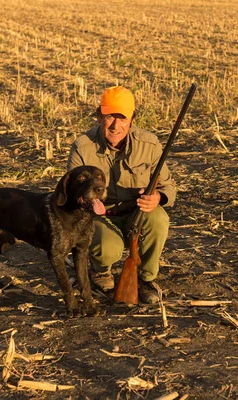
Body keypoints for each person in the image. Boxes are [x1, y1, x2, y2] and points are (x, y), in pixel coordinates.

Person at [67, 86, 176, 304]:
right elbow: (71, 192)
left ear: (132, 119)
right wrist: (89, 204)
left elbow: (169, 187)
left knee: (159, 218)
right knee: (108, 248)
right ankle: (101, 271)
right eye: (109, 117)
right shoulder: (82, 146)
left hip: (136, 213)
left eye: (122, 118)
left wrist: (157, 198)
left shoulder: (150, 143)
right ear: (99, 116)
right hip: (98, 216)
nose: (116, 125)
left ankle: (145, 279)